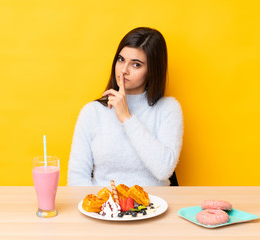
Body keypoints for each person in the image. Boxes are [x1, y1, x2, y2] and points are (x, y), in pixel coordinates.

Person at [67, 27, 183, 186]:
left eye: (136, 65)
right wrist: (98, 208)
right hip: (105, 207)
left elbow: (164, 170)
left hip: (154, 206)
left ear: (152, 71)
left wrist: (126, 118)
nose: (123, 70)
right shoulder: (93, 112)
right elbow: (77, 177)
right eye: (121, 59)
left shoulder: (168, 109)